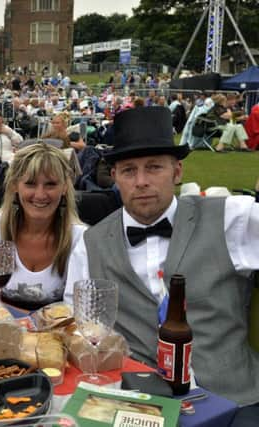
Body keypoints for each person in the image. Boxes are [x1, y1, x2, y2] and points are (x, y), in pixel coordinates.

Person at [63, 106, 259, 422]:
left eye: (154, 168)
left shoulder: (230, 218)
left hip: (235, 400)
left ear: (177, 172)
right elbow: (79, 328)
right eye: (128, 170)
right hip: (139, 406)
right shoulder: (90, 245)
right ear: (114, 177)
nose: (141, 181)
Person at [0, 144, 85, 310]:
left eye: (50, 184)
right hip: (0, 332)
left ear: (64, 187)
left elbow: (79, 313)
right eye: (31, 184)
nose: (40, 195)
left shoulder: (80, 238)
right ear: (14, 186)